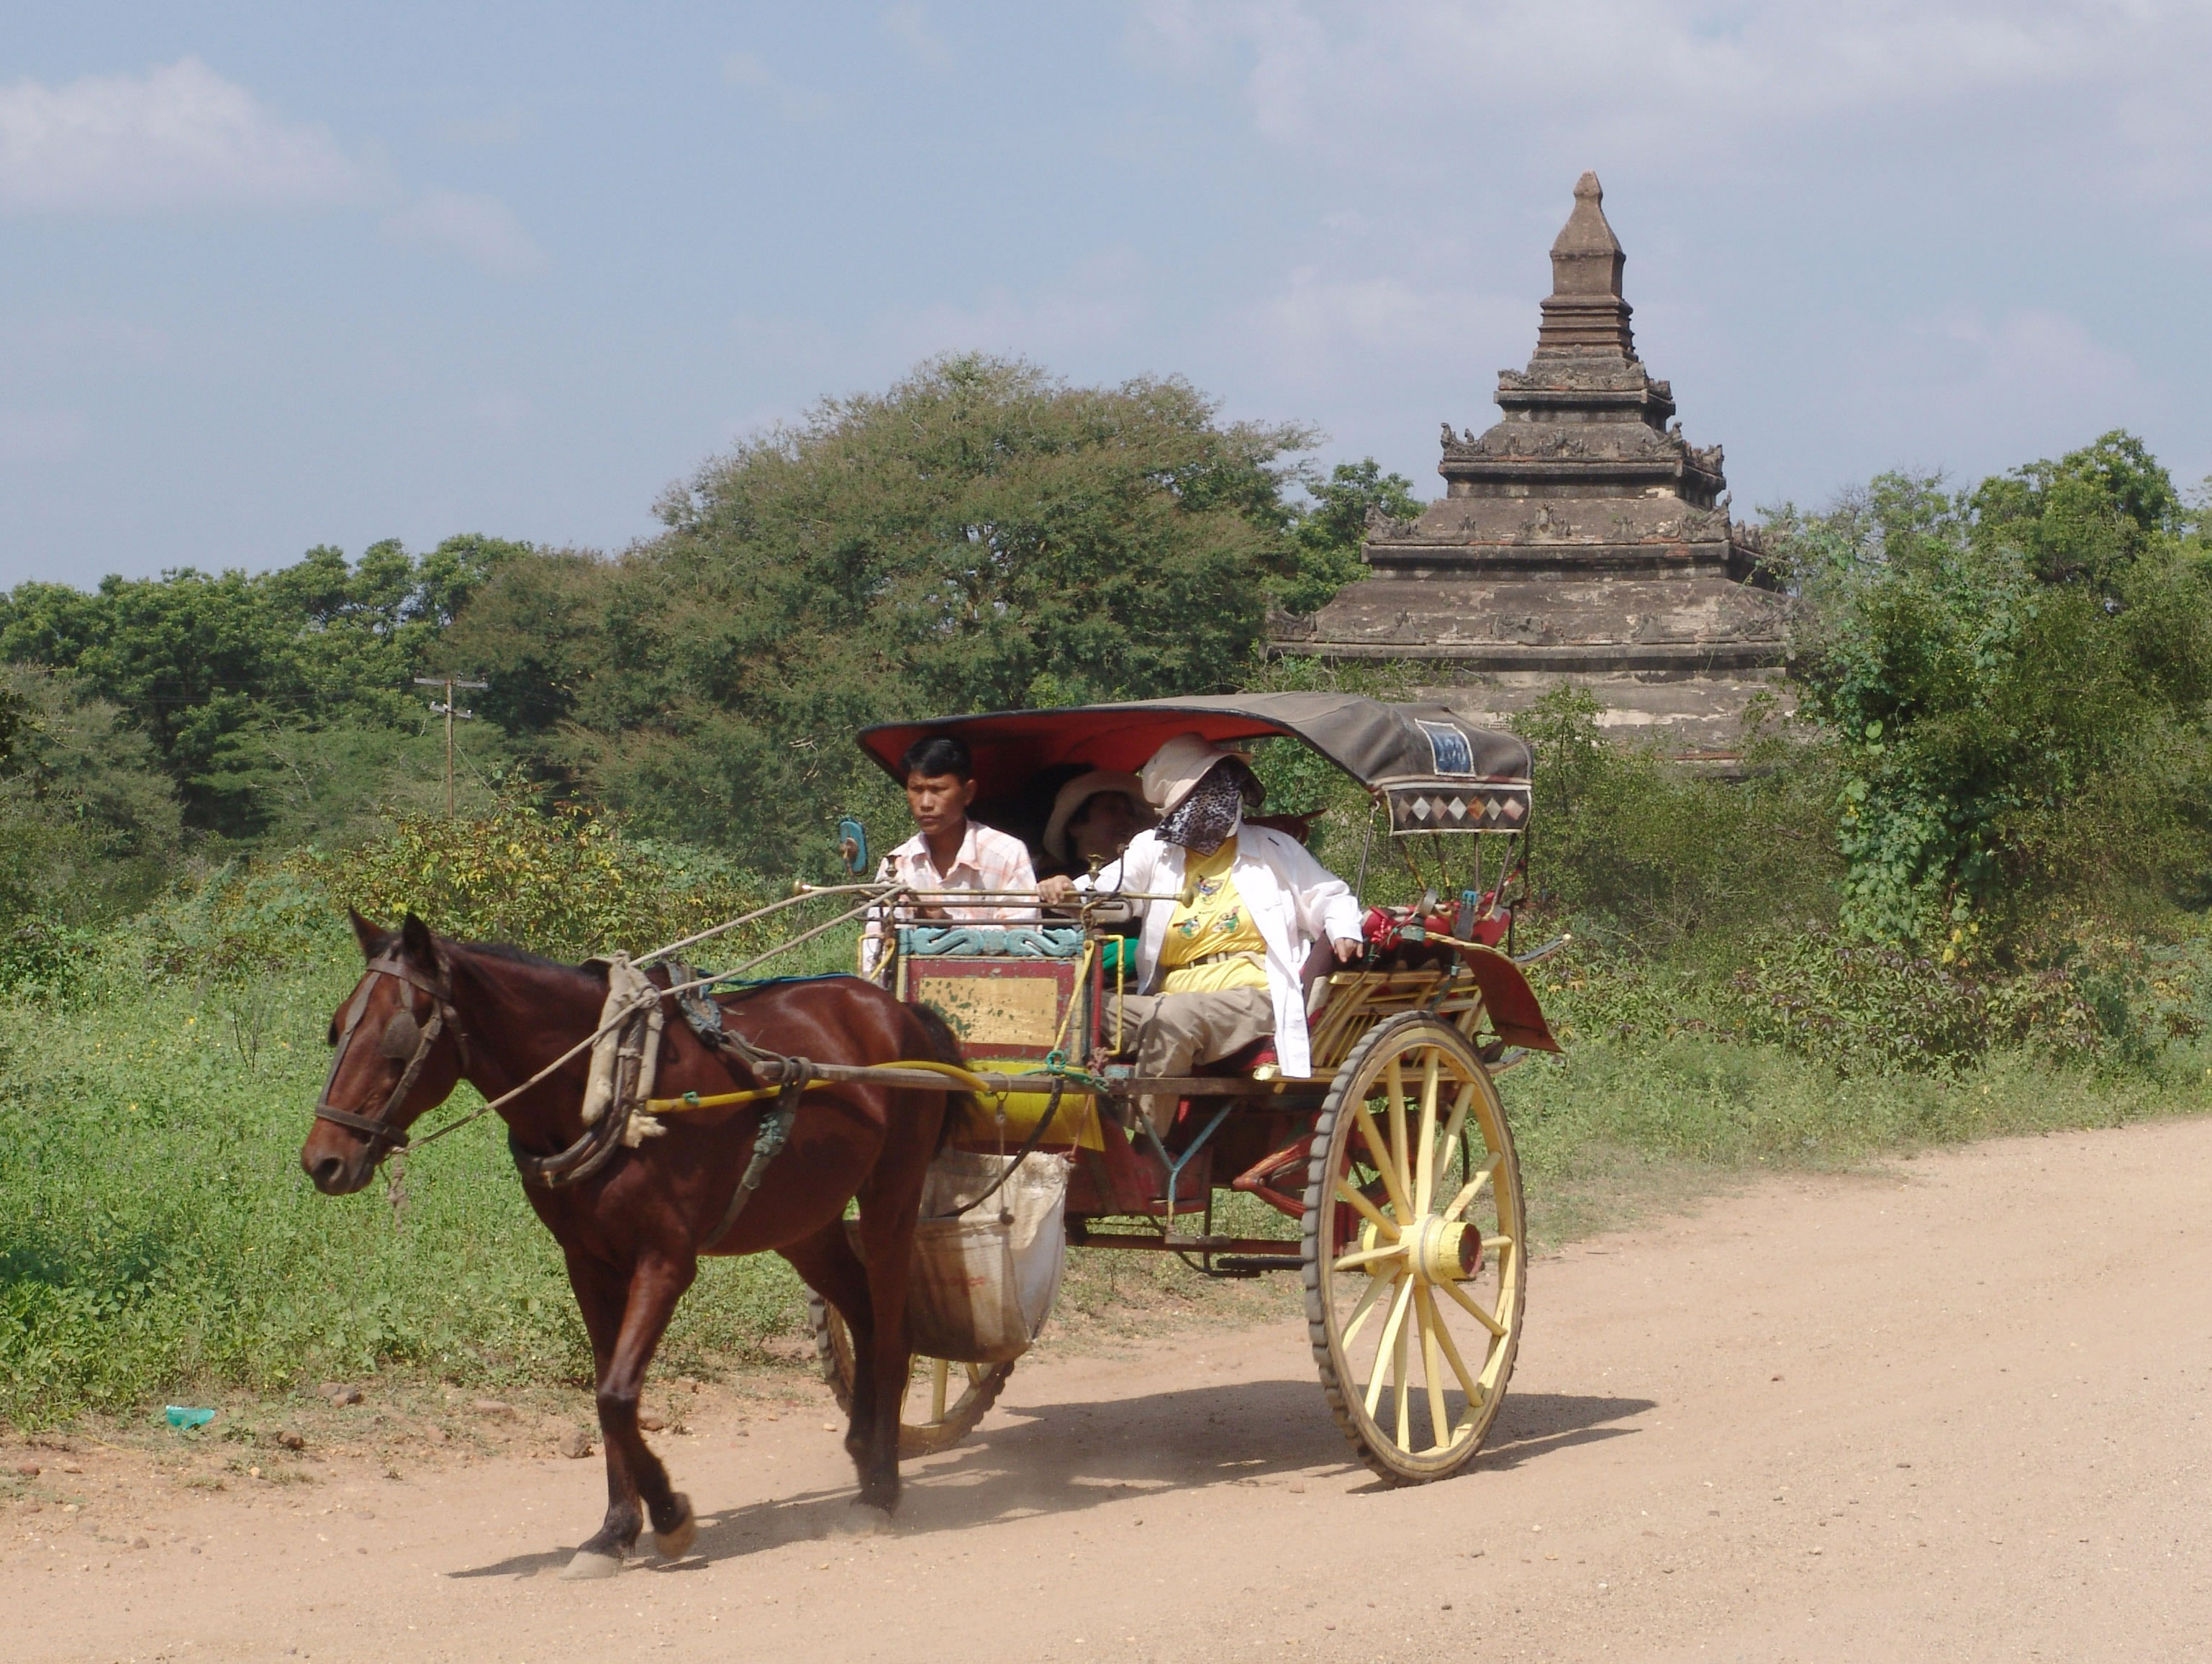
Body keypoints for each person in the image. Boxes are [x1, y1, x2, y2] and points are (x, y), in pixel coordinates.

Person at [1039, 734, 1364, 1133]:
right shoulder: (1153, 850)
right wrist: (1069, 894)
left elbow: (1330, 896)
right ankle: (1084, 1134)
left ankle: (1145, 1147)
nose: (1221, 800)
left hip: (1252, 997)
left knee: (1173, 1018)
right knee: (1069, 1005)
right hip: (1165, 999)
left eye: (1223, 788)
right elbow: (1109, 894)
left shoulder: (1274, 848)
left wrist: (1343, 927)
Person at [860, 734, 1037, 977]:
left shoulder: (1007, 854)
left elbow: (1026, 943)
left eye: (937, 790)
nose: (925, 803)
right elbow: (875, 950)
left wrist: (951, 925)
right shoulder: (898, 864)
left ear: (967, 793)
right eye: (916, 789)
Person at [1038, 769, 1152, 877]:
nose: (1127, 819)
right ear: (1075, 825)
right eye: (1112, 809)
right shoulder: (1049, 885)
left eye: (1130, 813)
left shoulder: (1146, 880)